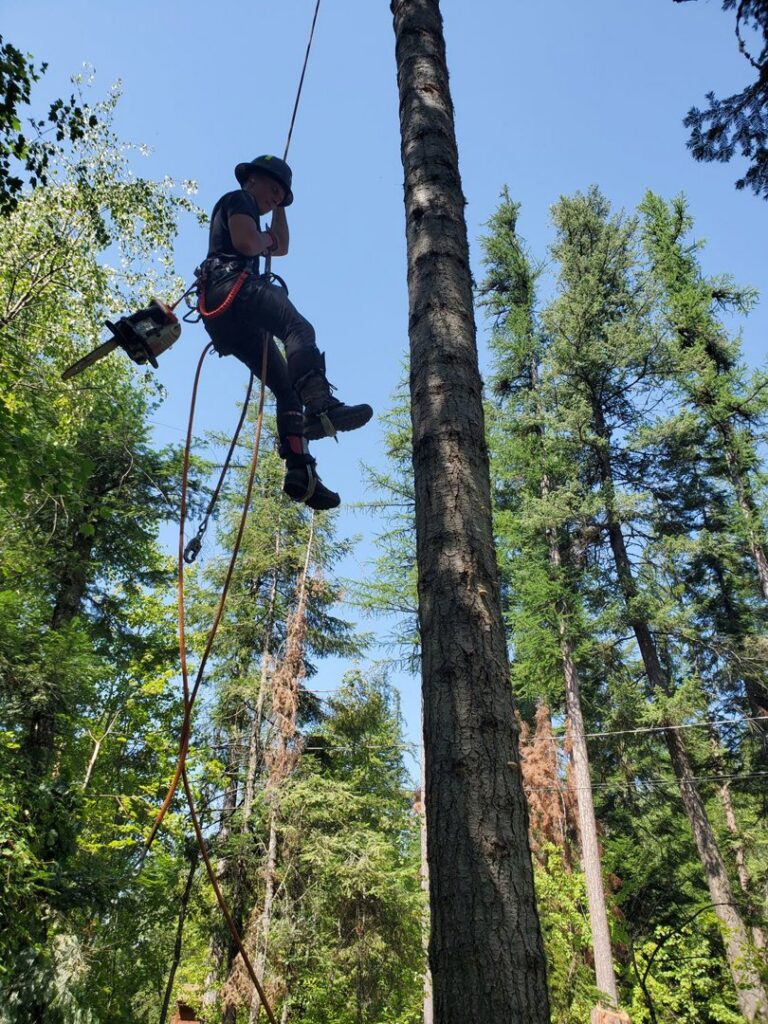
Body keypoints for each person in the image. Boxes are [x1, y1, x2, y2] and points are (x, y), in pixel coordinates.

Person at [197, 154, 372, 510]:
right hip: (233, 288)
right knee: (298, 327)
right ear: (252, 180)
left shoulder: (256, 206)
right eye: (273, 189)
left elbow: (283, 246)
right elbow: (248, 244)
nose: (275, 197)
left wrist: (281, 207)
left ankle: (300, 473)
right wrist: (266, 236)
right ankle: (321, 406)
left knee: (287, 391)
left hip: (225, 316)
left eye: (281, 195)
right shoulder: (239, 199)